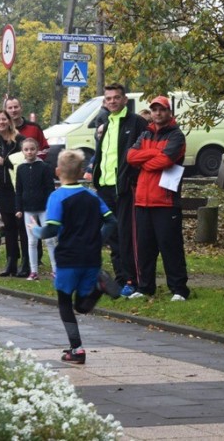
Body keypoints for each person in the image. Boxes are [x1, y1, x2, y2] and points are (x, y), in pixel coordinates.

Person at [31, 149, 118, 365]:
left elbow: (50, 230)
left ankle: (76, 349)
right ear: (81, 172)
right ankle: (99, 287)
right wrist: (98, 239)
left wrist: (35, 229)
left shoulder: (57, 196)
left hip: (68, 257)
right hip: (91, 256)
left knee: (65, 302)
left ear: (57, 171)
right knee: (81, 305)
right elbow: (112, 221)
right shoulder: (92, 195)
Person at [125, 96, 191, 301]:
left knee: (170, 247)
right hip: (142, 200)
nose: (157, 113)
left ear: (168, 112)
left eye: (161, 109)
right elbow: (130, 157)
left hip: (165, 201)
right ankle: (145, 287)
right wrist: (154, 153)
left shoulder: (176, 136)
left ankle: (179, 290)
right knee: (145, 248)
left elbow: (165, 161)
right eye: (154, 110)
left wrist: (146, 159)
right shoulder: (145, 133)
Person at [91, 83, 149, 296]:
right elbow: (102, 154)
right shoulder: (105, 124)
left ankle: (133, 279)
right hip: (105, 187)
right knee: (112, 236)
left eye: (116, 97)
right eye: (108, 98)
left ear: (125, 100)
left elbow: (144, 152)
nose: (112, 101)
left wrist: (131, 177)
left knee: (127, 235)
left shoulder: (136, 122)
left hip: (124, 187)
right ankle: (120, 278)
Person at [5, 96, 49, 276]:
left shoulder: (34, 128)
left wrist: (37, 166)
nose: (13, 110)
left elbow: (45, 148)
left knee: (39, 227)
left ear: (21, 108)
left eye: (16, 107)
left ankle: (35, 261)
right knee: (15, 225)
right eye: (10, 108)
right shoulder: (4, 129)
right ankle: (17, 261)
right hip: (12, 183)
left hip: (36, 183)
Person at [0, 109, 25, 276]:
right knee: (8, 227)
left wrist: (6, 162)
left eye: (3, 119)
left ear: (9, 121)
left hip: (18, 188)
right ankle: (11, 262)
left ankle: (27, 263)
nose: (0, 122)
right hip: (2, 188)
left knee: (21, 227)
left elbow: (24, 162)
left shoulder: (19, 140)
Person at [14, 138, 58, 281]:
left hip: (44, 208)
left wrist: (50, 207)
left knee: (50, 239)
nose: (29, 152)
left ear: (37, 150)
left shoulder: (44, 167)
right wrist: (18, 208)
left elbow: (49, 188)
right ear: (22, 152)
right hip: (28, 209)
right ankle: (33, 271)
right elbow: (18, 190)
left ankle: (56, 269)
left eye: (32, 149)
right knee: (31, 241)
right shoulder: (21, 169)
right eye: (26, 149)